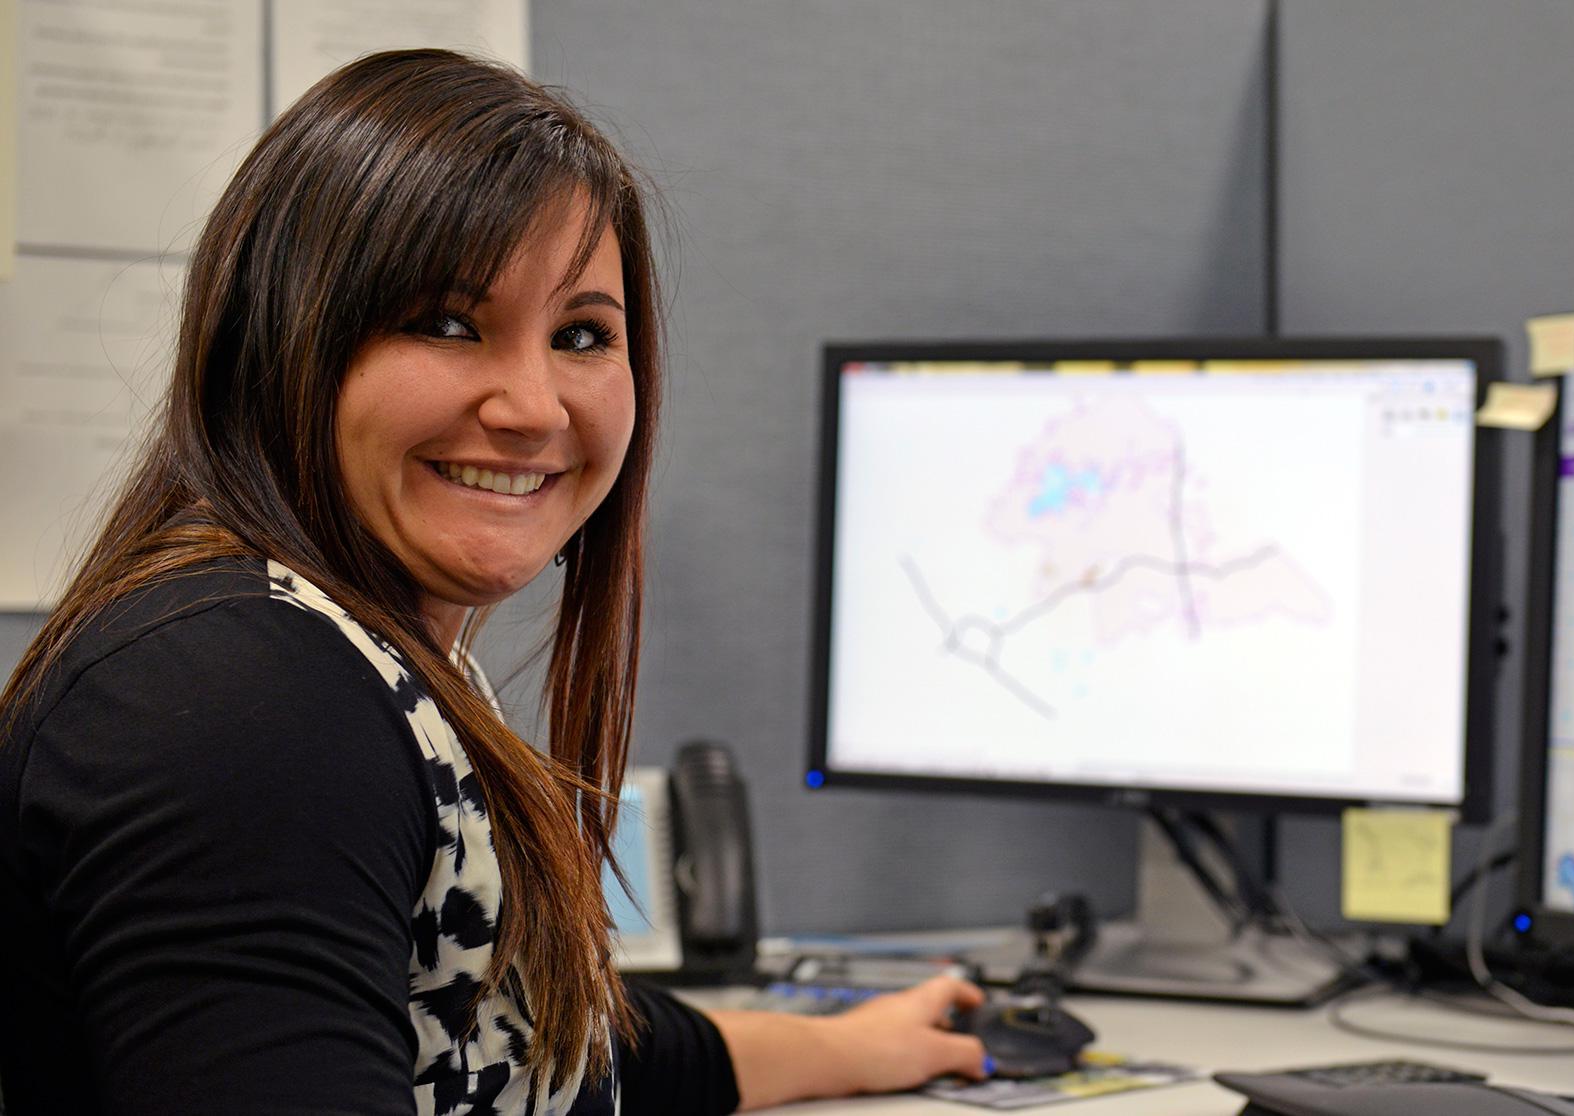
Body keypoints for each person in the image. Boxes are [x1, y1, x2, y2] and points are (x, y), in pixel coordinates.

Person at [0, 49, 988, 1115]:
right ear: (278, 343)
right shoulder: (241, 696)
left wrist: (859, 1048)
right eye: (446, 324)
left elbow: (530, 1042)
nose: (533, 406)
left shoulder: (331, 651)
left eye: (580, 335)